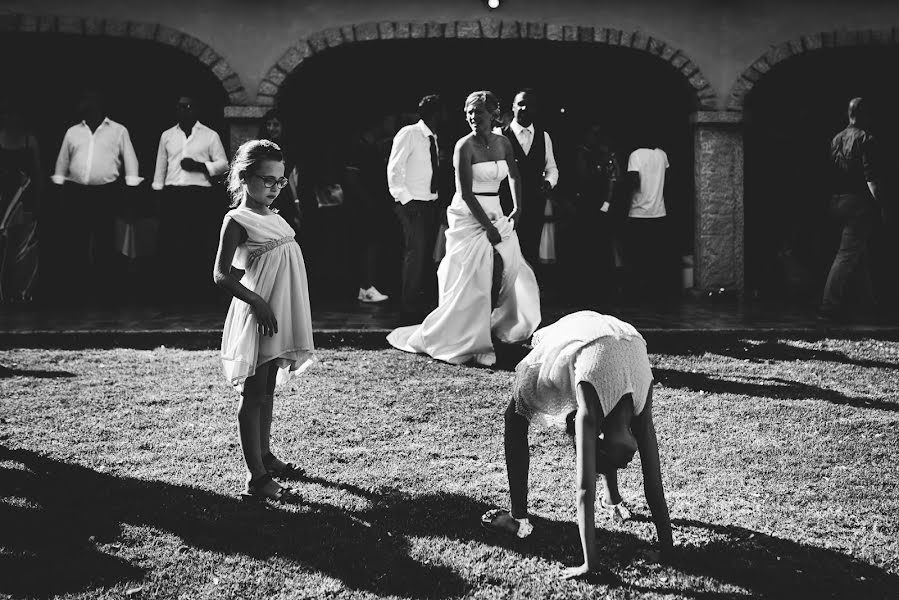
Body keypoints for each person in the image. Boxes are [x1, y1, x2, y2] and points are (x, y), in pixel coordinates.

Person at [481, 311, 673, 580]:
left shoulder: (632, 411)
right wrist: (590, 564)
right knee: (514, 417)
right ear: (601, 438)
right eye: (622, 460)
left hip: (608, 339)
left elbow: (654, 486)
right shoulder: (598, 409)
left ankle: (612, 497)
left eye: (622, 461)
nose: (631, 460)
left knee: (606, 411)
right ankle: (518, 518)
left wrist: (668, 550)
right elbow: (584, 490)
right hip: (586, 342)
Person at [387, 91, 541, 366]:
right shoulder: (464, 146)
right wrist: (488, 228)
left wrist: (517, 208)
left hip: (496, 211)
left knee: (509, 267)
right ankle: (472, 337)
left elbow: (515, 176)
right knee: (477, 271)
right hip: (469, 215)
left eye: (478, 112)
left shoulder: (504, 143)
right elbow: (466, 193)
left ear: (493, 115)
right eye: (469, 112)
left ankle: (494, 325)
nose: (473, 117)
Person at [213, 139, 315, 502]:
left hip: (282, 310)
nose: (275, 186)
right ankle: (255, 476)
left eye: (280, 181)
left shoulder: (274, 214)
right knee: (253, 393)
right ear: (244, 177)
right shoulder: (237, 220)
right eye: (268, 179)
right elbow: (221, 274)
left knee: (268, 389)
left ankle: (266, 455)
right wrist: (256, 300)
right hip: (260, 313)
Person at [51, 90, 142, 301]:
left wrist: (130, 195)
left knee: (105, 241)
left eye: (86, 99)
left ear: (97, 102)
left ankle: (104, 291)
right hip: (77, 194)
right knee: (76, 241)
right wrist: (59, 191)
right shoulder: (73, 132)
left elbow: (131, 163)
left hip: (106, 194)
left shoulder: (118, 131)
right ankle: (78, 289)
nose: (82, 103)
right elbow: (62, 163)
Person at [153, 94, 228, 303]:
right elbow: (160, 166)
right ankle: (171, 291)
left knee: (197, 241)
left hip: (198, 195)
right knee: (170, 242)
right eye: (179, 107)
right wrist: (157, 194)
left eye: (188, 106)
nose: (183, 110)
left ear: (196, 109)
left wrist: (200, 166)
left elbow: (223, 164)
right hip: (173, 193)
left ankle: (198, 292)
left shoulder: (209, 135)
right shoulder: (167, 135)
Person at [818, 97, 885, 323]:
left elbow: (828, 172)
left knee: (858, 254)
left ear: (849, 114)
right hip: (857, 204)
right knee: (846, 256)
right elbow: (871, 178)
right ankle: (828, 306)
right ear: (865, 114)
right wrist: (883, 206)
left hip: (836, 202)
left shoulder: (836, 139)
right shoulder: (867, 138)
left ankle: (869, 303)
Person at [387, 94, 442, 323]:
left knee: (426, 254)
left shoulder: (433, 137)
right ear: (433, 113)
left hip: (429, 202)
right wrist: (405, 200)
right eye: (442, 112)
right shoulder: (409, 133)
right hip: (412, 204)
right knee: (415, 254)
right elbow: (395, 167)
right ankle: (408, 308)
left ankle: (419, 302)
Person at [500, 89, 559, 269]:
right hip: (505, 203)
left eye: (530, 105)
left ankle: (527, 293)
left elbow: (552, 168)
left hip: (534, 202)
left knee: (530, 249)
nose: (525, 108)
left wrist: (549, 182)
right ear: (513, 107)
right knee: (504, 250)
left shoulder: (544, 136)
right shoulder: (500, 135)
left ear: (536, 109)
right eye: (520, 104)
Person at [573, 126, 623, 302]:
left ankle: (603, 287)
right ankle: (589, 286)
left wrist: (607, 203)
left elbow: (613, 180)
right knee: (589, 245)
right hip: (586, 204)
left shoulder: (605, 155)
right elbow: (582, 178)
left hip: (600, 205)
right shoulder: (583, 153)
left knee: (601, 244)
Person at [0, 100, 42, 304]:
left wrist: (38, 198)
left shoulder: (29, 140)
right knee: (4, 246)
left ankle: (23, 292)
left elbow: (37, 171)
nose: (11, 119)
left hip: (24, 199)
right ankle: (4, 291)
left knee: (24, 246)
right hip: (3, 198)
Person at [346, 123, 390, 303]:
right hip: (364, 206)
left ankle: (365, 287)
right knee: (369, 246)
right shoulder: (358, 147)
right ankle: (366, 287)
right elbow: (351, 178)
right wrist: (369, 202)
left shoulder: (370, 146)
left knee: (371, 245)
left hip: (369, 203)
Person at [625, 143, 670, 299]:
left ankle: (638, 293)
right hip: (659, 212)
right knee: (655, 257)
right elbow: (667, 181)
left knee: (637, 257)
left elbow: (633, 183)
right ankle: (655, 292)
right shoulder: (662, 155)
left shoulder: (635, 155)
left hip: (638, 213)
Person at [257, 109, 301, 234]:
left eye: (276, 125)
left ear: (283, 126)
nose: (271, 128)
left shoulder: (290, 149)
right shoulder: (260, 148)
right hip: (264, 192)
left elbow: (292, 176)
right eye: (268, 124)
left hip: (284, 194)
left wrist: (296, 201)